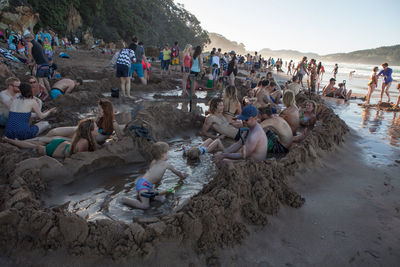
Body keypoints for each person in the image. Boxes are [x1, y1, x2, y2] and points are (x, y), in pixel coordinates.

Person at [121, 142, 188, 209]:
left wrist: (155, 187)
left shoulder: (153, 161)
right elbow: (178, 173)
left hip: (144, 183)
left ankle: (141, 196)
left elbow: (152, 174)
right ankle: (124, 199)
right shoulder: (166, 165)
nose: (168, 154)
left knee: (162, 199)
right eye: (167, 152)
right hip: (143, 186)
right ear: (163, 155)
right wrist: (185, 176)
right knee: (145, 206)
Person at [2, 118, 98, 158]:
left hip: (62, 144)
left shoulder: (84, 138)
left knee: (38, 144)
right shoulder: (85, 142)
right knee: (34, 147)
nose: (98, 129)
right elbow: (77, 157)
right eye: (96, 128)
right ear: (89, 131)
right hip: (55, 148)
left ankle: (12, 140)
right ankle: (8, 140)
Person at [45, 98, 123, 144]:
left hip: (86, 139)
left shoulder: (113, 123)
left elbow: (121, 139)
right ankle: (36, 143)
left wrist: (111, 143)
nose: (97, 111)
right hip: (81, 131)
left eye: (99, 110)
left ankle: (35, 143)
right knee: (53, 132)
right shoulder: (99, 118)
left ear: (106, 111)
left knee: (55, 138)